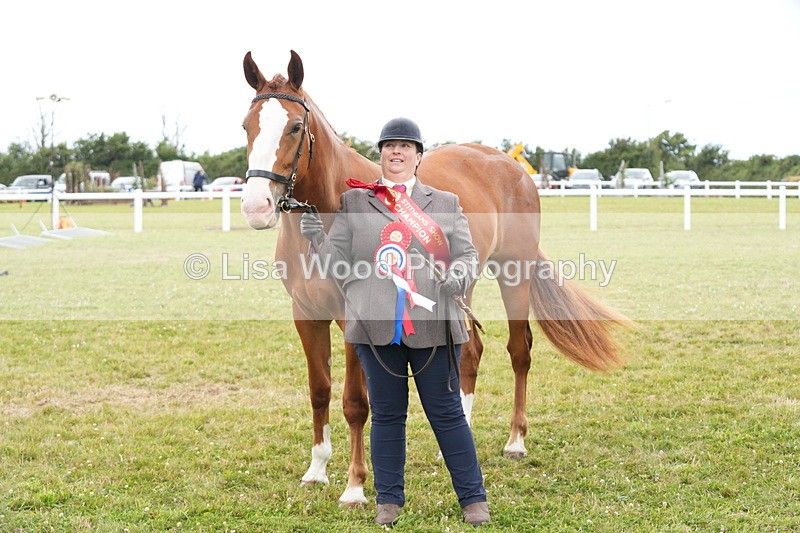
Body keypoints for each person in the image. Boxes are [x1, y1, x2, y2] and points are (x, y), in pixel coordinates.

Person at [300, 117, 490, 527]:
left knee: (446, 414)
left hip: (435, 324)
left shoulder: (445, 203)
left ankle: (473, 498)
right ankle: (389, 499)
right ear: (381, 155)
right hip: (376, 328)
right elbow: (340, 265)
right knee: (387, 415)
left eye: (406, 146)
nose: (397, 152)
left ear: (419, 156)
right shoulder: (356, 203)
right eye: (389, 147)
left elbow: (468, 255)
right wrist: (319, 239)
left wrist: (459, 277)